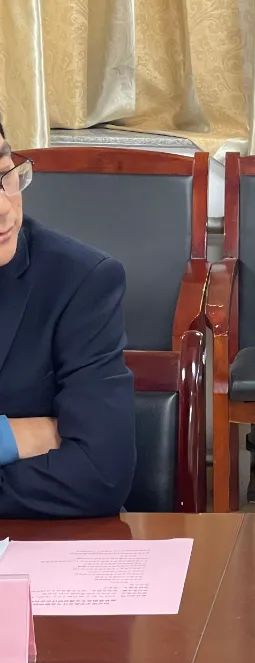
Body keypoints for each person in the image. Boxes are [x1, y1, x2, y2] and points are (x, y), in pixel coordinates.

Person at [0, 115, 135, 516]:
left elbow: (100, 472)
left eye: (5, 174)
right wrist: (20, 436)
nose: (4, 208)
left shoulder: (79, 282)